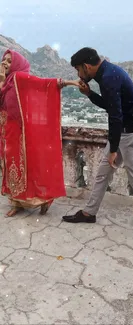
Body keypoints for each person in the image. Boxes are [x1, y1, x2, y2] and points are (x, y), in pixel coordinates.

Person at [62, 47, 133, 242]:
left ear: (87, 66)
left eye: (78, 69)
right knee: (102, 174)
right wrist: (90, 95)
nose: (78, 74)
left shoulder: (108, 78)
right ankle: (89, 213)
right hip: (124, 134)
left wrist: (113, 149)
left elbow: (115, 116)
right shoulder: (108, 73)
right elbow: (112, 106)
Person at [0, 49, 78, 217]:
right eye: (3, 60)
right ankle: (17, 203)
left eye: (8, 61)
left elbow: (43, 84)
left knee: (29, 168)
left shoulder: (18, 78)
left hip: (21, 135)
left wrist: (71, 82)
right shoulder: (7, 82)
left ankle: (44, 199)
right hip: (8, 133)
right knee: (11, 169)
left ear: (16, 64)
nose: (4, 63)